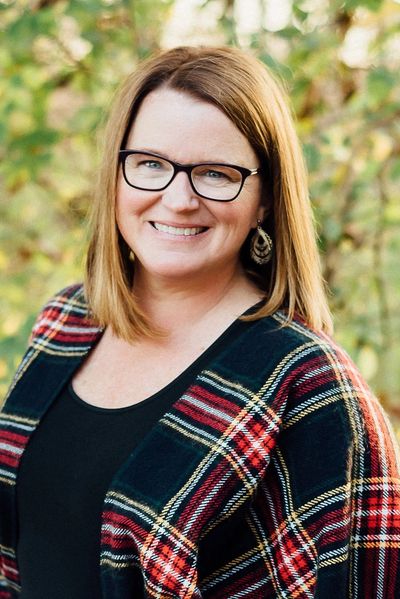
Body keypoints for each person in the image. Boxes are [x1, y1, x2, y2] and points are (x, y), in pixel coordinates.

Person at [0, 45, 399, 599]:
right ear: (116, 176)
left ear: (264, 199)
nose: (178, 198)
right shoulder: (66, 322)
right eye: (150, 165)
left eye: (215, 173)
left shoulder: (311, 388)